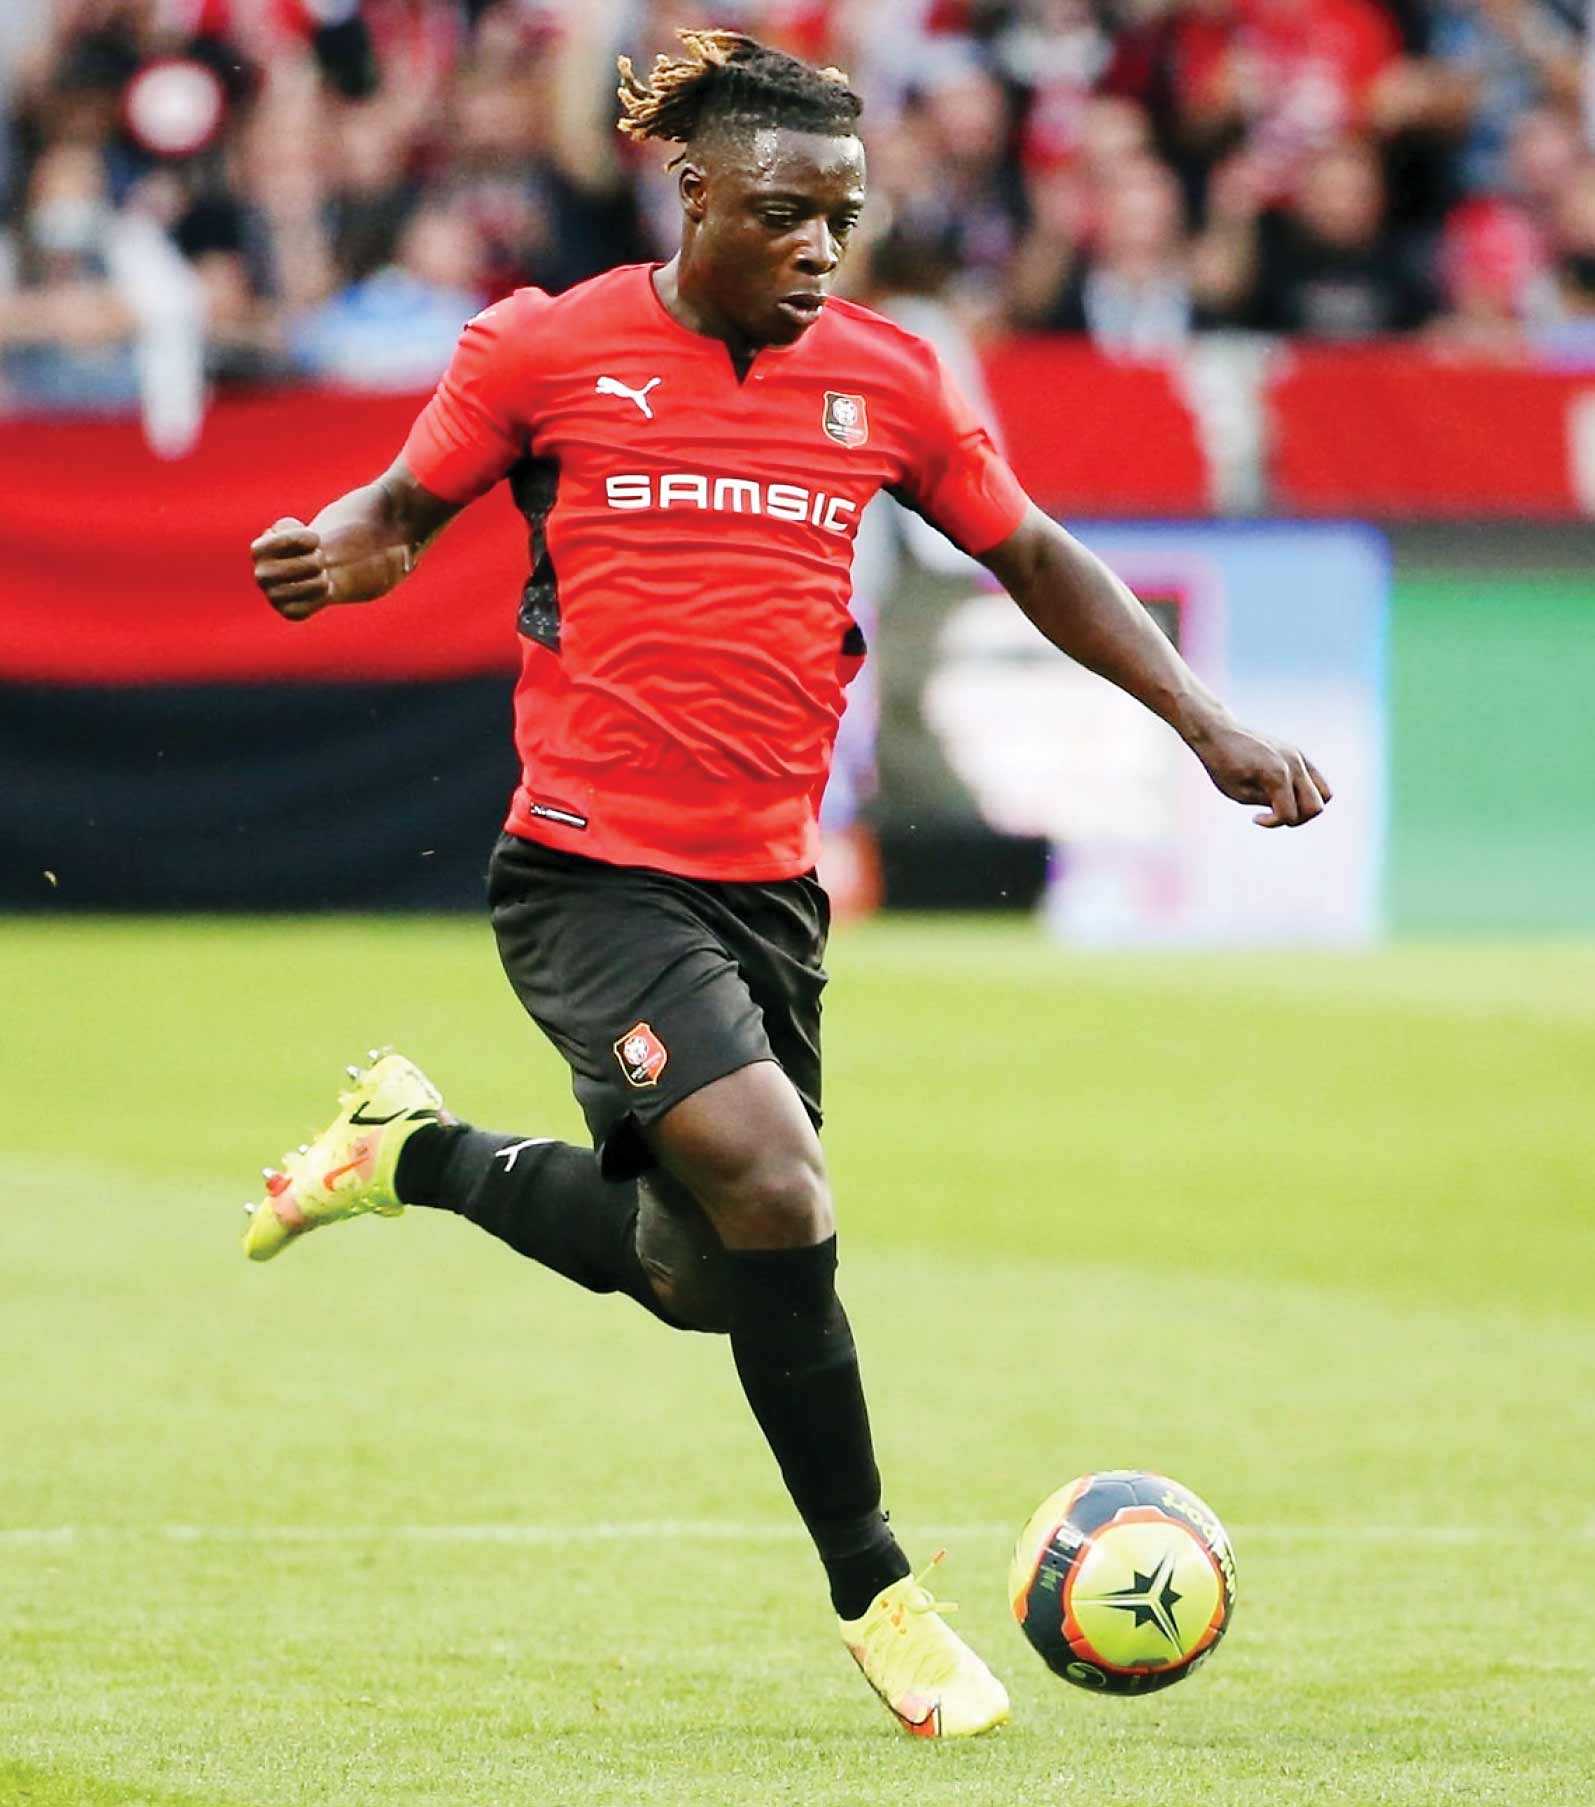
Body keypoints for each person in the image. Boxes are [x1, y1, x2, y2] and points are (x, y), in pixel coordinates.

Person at [246, 27, 1331, 1740]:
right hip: (589, 874)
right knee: (776, 1183)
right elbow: (393, 517)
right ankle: (881, 1597)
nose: (820, 247)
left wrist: (1206, 723)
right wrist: (337, 557)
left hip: (765, 891)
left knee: (703, 1275)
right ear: (693, 194)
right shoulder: (544, 347)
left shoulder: (889, 380)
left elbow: (1035, 554)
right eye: (784, 213)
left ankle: (413, 1153)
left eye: (844, 218)